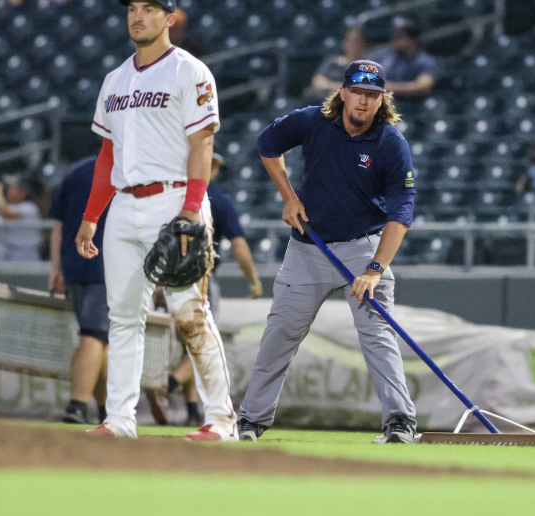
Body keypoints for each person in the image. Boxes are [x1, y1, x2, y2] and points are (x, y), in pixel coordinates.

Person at [75, 0, 237, 441]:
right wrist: (92, 216)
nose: (137, 16)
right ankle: (120, 420)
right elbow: (107, 156)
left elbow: (202, 144)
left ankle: (221, 419)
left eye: (149, 8)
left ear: (169, 18)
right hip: (124, 206)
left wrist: (191, 208)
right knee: (123, 316)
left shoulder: (191, 71)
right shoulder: (115, 80)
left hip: (175, 200)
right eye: (131, 8)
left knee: (190, 312)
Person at [237, 60, 419, 443]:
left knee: (378, 332)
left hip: (363, 248)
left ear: (382, 100)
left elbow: (402, 211)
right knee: (281, 332)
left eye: (372, 95)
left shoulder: (390, 142)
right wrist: (288, 198)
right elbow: (267, 144)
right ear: (342, 92)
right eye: (357, 92)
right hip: (309, 247)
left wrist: (374, 269)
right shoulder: (312, 121)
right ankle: (250, 421)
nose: (363, 101)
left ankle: (401, 422)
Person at [155, 150, 262, 427]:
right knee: (202, 340)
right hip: (200, 280)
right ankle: (168, 384)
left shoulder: (171, 194)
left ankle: (192, 408)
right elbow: (238, 244)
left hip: (167, 277)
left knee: (189, 343)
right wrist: (253, 280)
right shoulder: (220, 200)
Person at [48, 156, 110, 425]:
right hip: (109, 266)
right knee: (94, 335)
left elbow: (59, 227)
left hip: (74, 266)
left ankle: (108, 409)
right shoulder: (131, 171)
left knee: (99, 340)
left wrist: (56, 268)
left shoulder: (75, 173)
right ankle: (78, 405)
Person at [374, 18, 437, 114]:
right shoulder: (391, 60)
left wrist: (393, 87)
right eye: (395, 37)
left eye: (400, 37)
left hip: (417, 108)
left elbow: (424, 86)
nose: (395, 41)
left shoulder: (424, 61)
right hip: (392, 108)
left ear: (413, 40)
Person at [0, 173, 43, 262]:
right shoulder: (9, 207)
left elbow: (5, 214)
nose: (8, 190)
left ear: (23, 192)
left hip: (24, 259)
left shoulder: (30, 208)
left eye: (12, 188)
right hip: (3, 259)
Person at [306, 26, 367, 102]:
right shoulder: (332, 62)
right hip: (327, 97)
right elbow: (317, 80)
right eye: (349, 41)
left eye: (356, 42)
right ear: (344, 43)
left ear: (363, 45)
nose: (353, 46)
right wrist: (334, 86)